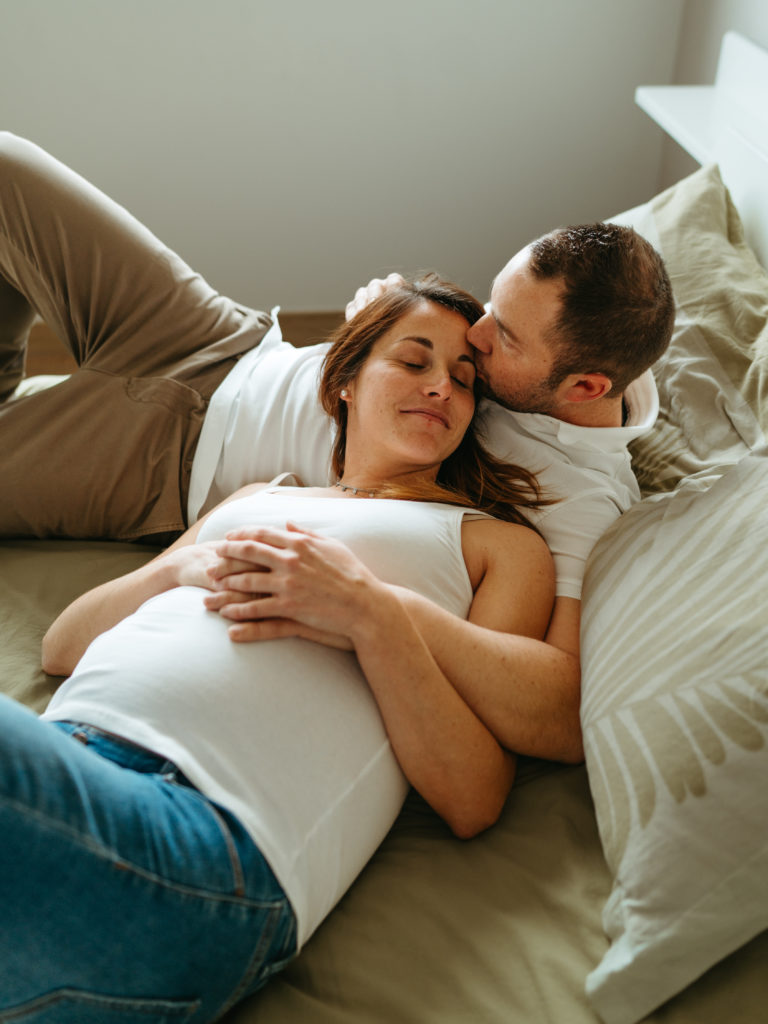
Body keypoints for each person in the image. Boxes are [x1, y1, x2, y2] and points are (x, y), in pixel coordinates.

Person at [0, 132, 674, 763]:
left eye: (504, 340)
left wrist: (384, 614)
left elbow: (558, 713)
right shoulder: (533, 350)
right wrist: (381, 322)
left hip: (161, 458)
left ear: (586, 387)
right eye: (494, 306)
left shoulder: (582, 499)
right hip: (223, 340)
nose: (479, 334)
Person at [0, 277, 554, 1020]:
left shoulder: (496, 544)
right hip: (67, 763)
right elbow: (63, 646)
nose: (440, 388)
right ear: (345, 380)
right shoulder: (258, 496)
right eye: (413, 360)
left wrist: (369, 615)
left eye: (463, 380)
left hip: (204, 841)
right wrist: (176, 569)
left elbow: (474, 798)